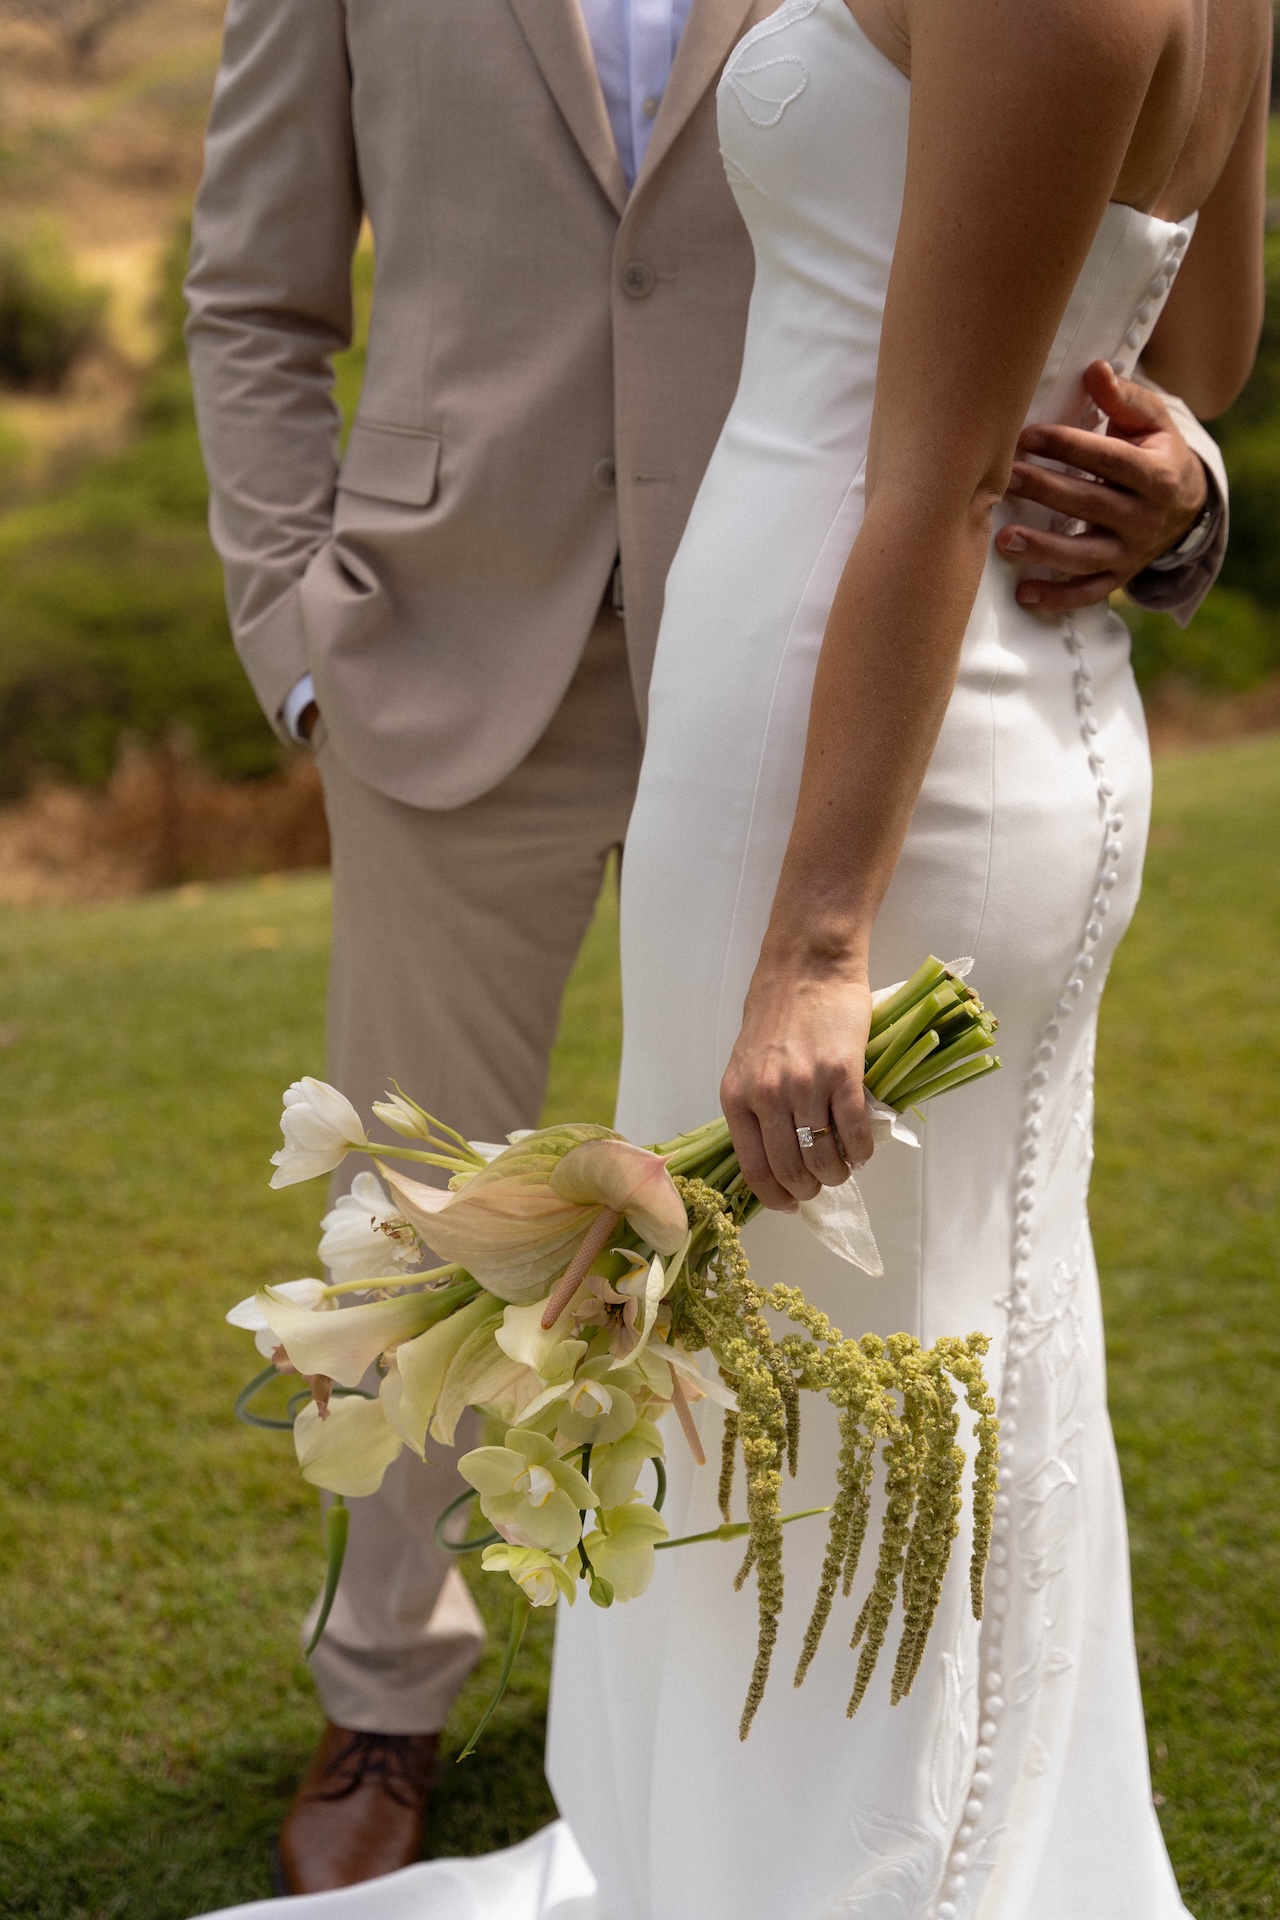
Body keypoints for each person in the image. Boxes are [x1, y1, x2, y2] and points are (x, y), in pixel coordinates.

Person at [184, 0, 1239, 1900]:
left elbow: (1084, 317)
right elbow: (255, 290)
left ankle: (850, 1833)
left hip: (820, 671)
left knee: (860, 1308)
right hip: (447, 652)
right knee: (441, 1211)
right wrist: (298, 638)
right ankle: (391, 1699)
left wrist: (1185, 493)